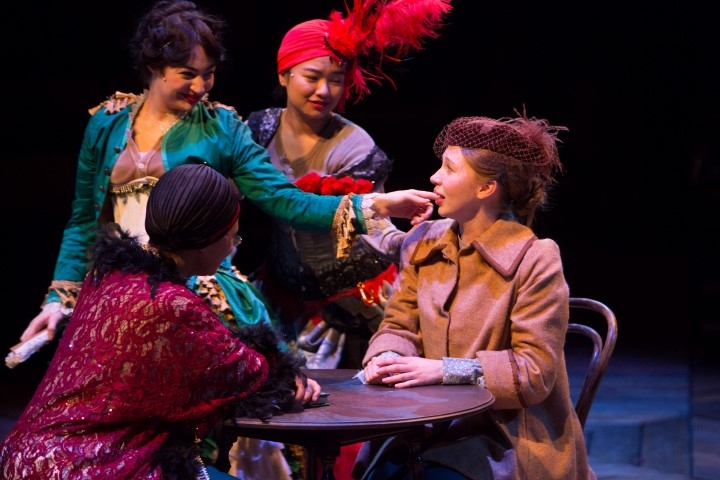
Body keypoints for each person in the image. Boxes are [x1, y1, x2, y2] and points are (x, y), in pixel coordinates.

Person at [17, 0, 436, 350]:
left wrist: (375, 204)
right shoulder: (105, 122)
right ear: (152, 68)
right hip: (117, 294)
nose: (201, 86)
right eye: (187, 73)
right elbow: (83, 222)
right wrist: (58, 299)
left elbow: (286, 200)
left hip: (194, 292)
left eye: (209, 73)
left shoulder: (223, 127)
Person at [0, 164, 319, 479]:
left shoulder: (106, 276)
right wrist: (285, 374)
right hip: (85, 468)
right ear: (207, 240)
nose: (230, 249)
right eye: (232, 238)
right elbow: (247, 372)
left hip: (23, 457)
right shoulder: (173, 305)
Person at [353, 112, 596, 479]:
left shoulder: (535, 258)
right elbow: (398, 324)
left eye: (449, 168)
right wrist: (387, 357)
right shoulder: (425, 241)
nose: (435, 177)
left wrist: (442, 370)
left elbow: (533, 372)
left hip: (503, 436)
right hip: (424, 422)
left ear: (486, 188)